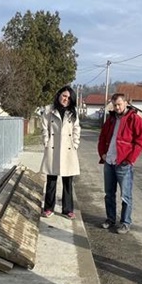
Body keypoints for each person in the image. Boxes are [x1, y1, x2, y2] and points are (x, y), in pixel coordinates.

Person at [97, 93, 142, 234]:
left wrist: (129, 159)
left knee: (126, 196)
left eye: (119, 104)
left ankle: (125, 222)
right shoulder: (110, 120)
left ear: (126, 103)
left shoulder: (135, 119)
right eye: (115, 105)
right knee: (109, 193)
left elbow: (140, 142)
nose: (117, 107)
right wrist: (103, 154)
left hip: (124, 164)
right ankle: (110, 219)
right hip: (109, 162)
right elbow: (102, 138)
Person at [40, 85, 81, 219]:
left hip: (68, 149)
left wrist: (75, 144)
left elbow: (76, 129)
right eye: (64, 96)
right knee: (51, 180)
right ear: (59, 95)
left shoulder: (72, 112)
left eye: (69, 98)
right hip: (53, 147)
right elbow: (44, 127)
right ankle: (48, 208)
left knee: (68, 181)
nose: (66, 99)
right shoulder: (49, 110)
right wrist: (46, 142)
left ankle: (67, 209)